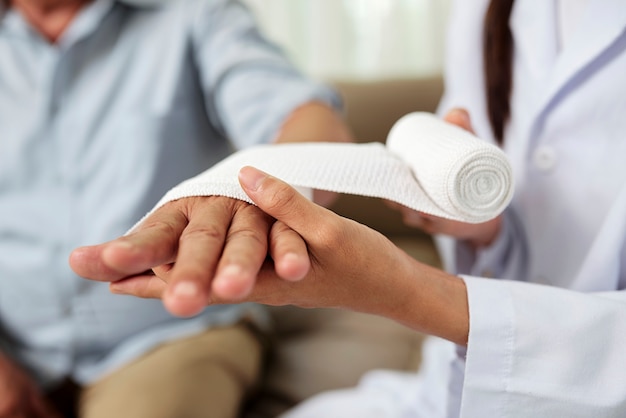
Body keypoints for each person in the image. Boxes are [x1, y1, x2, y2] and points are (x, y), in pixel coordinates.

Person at [71, 0, 626, 416]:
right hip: (456, 390)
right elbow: (529, 226)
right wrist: (483, 230)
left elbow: (309, 118)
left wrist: (406, 291)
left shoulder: (189, 15)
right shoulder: (489, 9)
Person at [0, 0, 354, 417]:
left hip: (173, 333)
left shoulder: (196, 14)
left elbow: (309, 125)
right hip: (14, 345)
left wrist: (260, 201)